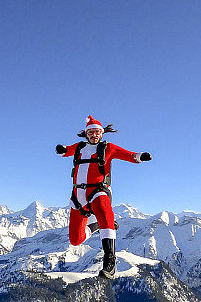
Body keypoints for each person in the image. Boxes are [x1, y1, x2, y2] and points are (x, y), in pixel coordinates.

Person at [55, 115, 152, 279]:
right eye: (91, 132)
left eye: (97, 133)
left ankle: (109, 262)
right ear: (86, 134)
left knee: (105, 212)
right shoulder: (79, 148)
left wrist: (140, 156)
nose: (94, 135)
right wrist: (61, 149)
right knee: (75, 240)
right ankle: (95, 226)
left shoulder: (108, 148)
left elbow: (129, 155)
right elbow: (67, 150)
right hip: (78, 196)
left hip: (98, 190)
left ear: (101, 134)